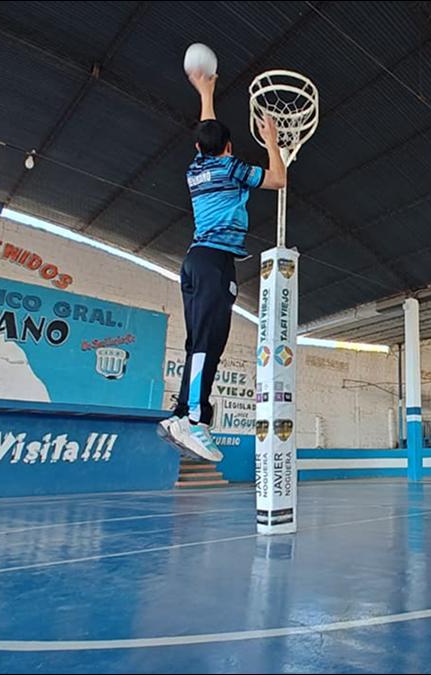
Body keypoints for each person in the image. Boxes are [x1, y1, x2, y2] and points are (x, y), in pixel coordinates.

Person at [158, 70, 287, 461]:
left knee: (198, 343)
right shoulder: (232, 170)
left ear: (201, 147)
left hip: (195, 263)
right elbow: (278, 179)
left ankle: (182, 412)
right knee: (208, 345)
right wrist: (272, 143)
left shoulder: (196, 170)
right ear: (230, 148)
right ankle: (194, 419)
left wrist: (206, 90)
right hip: (215, 264)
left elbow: (207, 135)